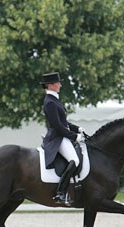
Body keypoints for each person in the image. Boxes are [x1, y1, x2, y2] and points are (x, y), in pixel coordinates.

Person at [40, 72, 84, 206]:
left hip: (61, 135)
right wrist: (74, 136)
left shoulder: (54, 100)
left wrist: (78, 129)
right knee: (74, 160)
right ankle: (61, 193)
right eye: (57, 83)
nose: (60, 85)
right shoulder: (49, 102)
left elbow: (64, 122)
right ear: (51, 85)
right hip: (56, 138)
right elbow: (58, 126)